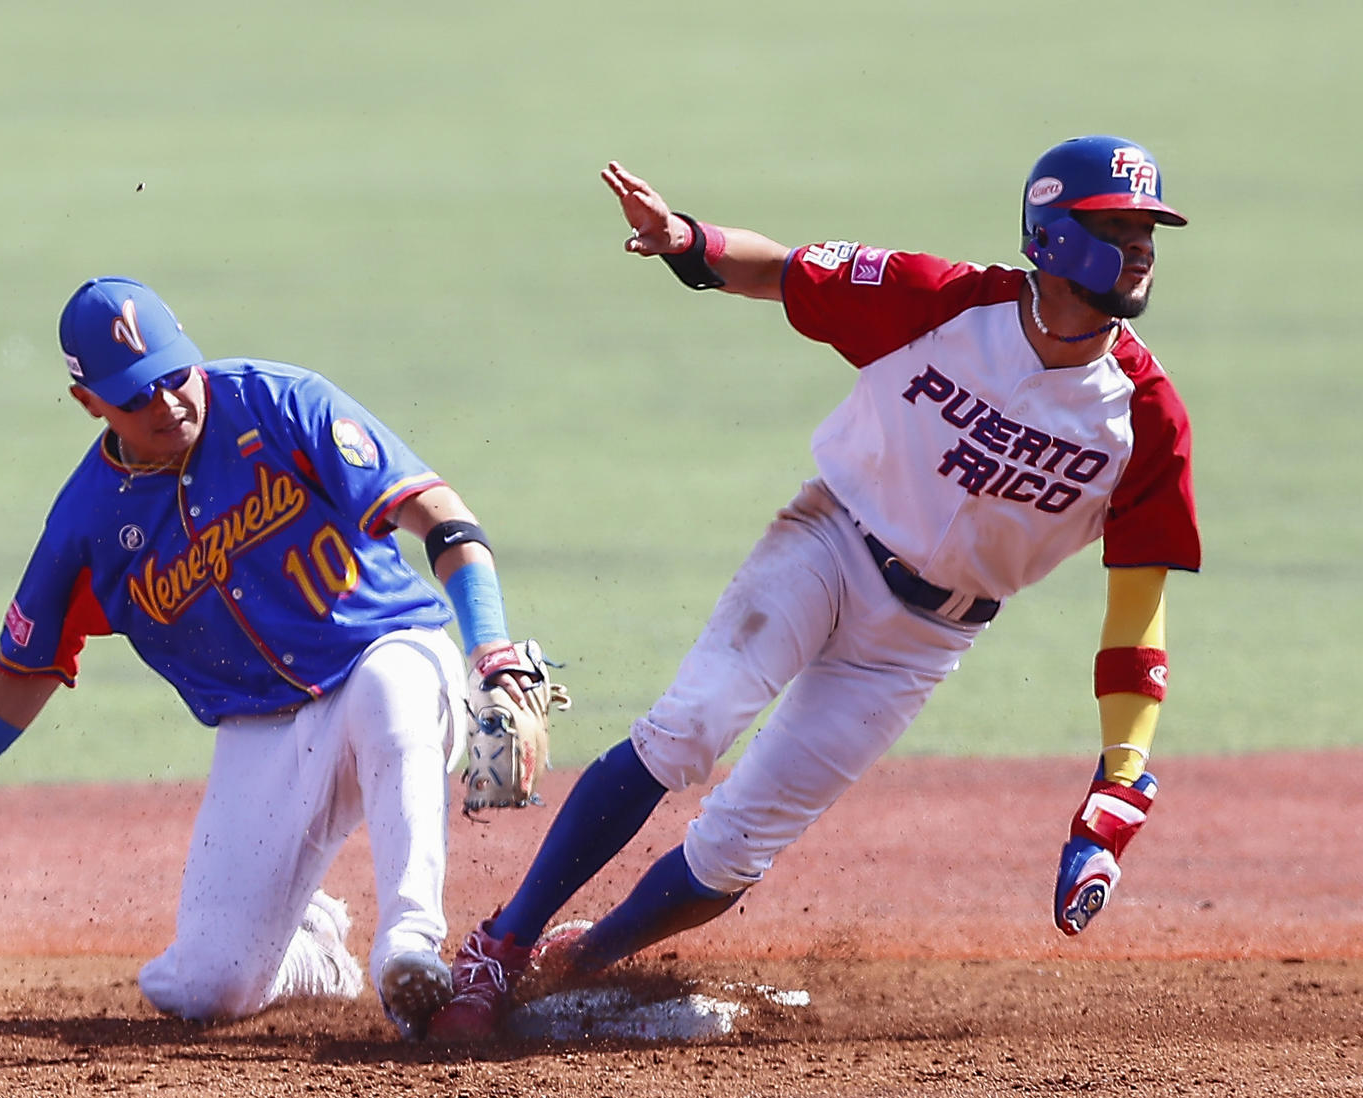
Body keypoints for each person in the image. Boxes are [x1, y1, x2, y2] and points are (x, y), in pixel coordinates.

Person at [427, 136, 1200, 1041]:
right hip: (830, 543)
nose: (1143, 246)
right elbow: (786, 272)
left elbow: (1138, 617)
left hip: (925, 641)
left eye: (1150, 227)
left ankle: (572, 966)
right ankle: (500, 948)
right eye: (1120, 225)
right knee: (688, 730)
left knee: (734, 849)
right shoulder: (944, 302)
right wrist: (686, 239)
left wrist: (1122, 770)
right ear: (1053, 234)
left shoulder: (1144, 419)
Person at [0, 276, 533, 1040]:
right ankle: (314, 953)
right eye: (140, 395)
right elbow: (24, 666)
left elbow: (440, 516)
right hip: (261, 733)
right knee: (207, 988)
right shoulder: (88, 524)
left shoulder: (278, 403)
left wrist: (492, 654)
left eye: (177, 375)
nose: (171, 402)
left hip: (392, 659)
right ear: (90, 405)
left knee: (389, 688)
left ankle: (409, 944)